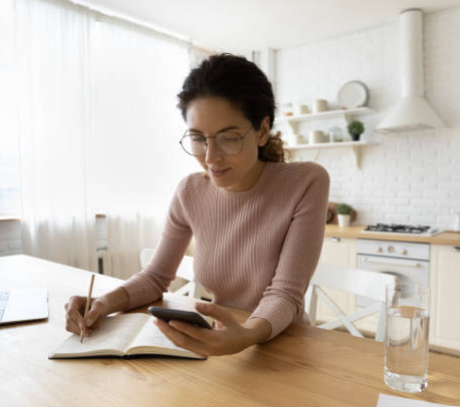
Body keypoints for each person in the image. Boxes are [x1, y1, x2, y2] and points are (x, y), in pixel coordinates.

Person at [65, 53, 330, 357]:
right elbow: (154, 278)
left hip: (281, 345)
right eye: (197, 138)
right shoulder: (190, 191)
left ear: (262, 130)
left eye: (229, 138)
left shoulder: (305, 182)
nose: (211, 157)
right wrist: (103, 302)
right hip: (219, 343)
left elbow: (285, 294)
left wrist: (245, 335)